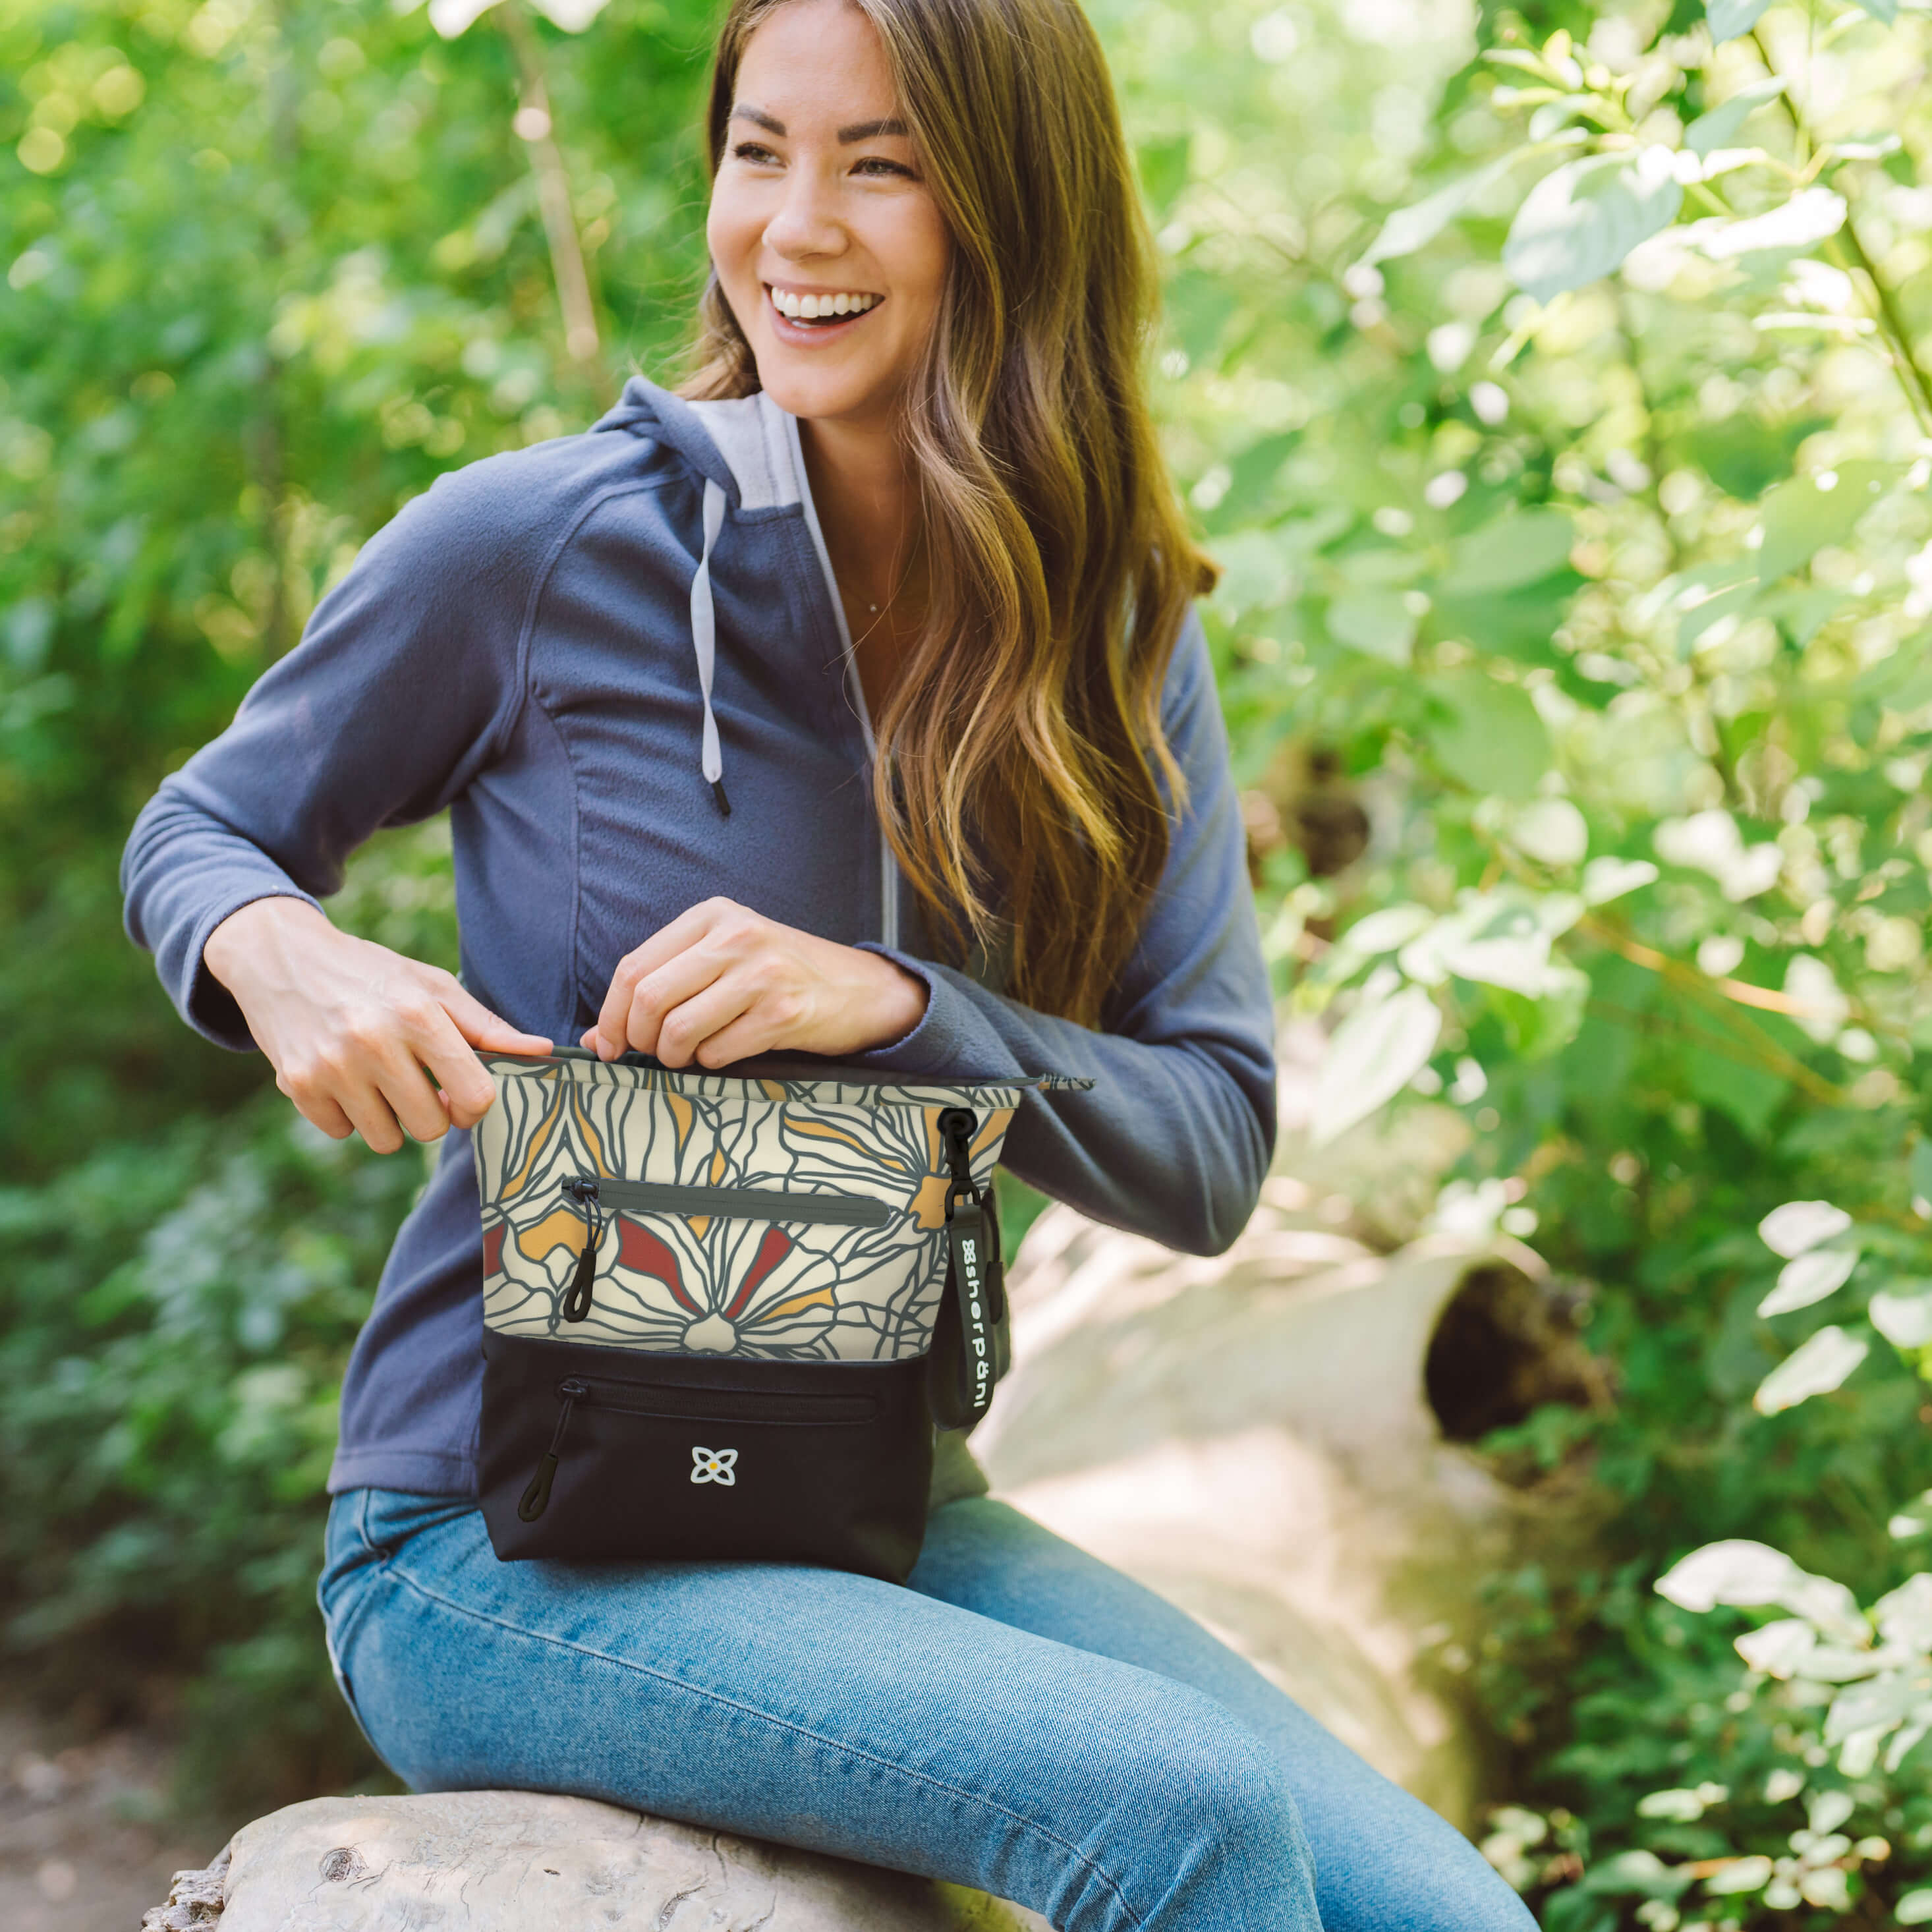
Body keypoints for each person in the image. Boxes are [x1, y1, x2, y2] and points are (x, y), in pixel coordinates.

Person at [120, 0, 1536, 1923]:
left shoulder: (1111, 629)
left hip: (884, 1510)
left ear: (1012, 209)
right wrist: (282, 951)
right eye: (756, 151)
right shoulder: (546, 544)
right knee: (1180, 1812)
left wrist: (904, 1012)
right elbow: (201, 830)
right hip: (494, 1533)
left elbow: (1209, 1146)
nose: (794, 224)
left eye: (879, 163)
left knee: (1458, 1917)